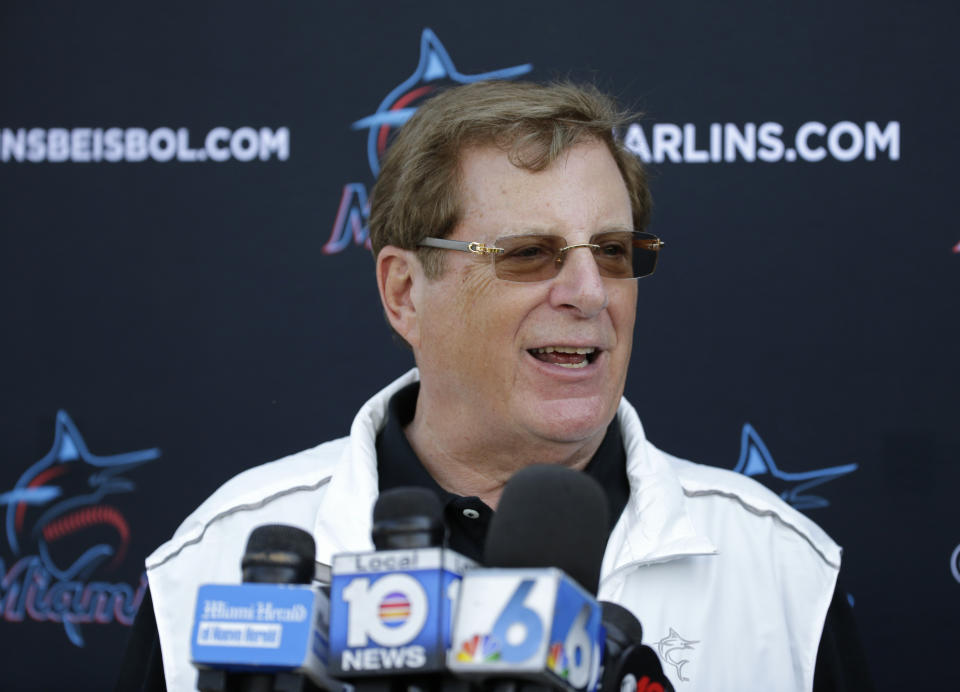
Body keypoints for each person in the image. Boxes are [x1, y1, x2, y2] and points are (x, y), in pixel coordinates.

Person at [116, 81, 871, 691]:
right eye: (530, 253)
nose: (589, 291)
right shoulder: (216, 571)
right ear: (405, 292)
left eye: (612, 251)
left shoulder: (780, 570)